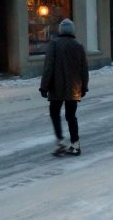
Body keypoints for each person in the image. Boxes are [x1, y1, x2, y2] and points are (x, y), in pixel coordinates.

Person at [39, 18, 89, 156]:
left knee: (54, 113)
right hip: (74, 88)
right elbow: (84, 68)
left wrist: (44, 86)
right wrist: (84, 87)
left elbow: (48, 67)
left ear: (61, 31)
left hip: (56, 88)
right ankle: (75, 144)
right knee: (71, 116)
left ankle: (60, 141)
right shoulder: (78, 46)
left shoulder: (54, 44)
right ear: (72, 31)